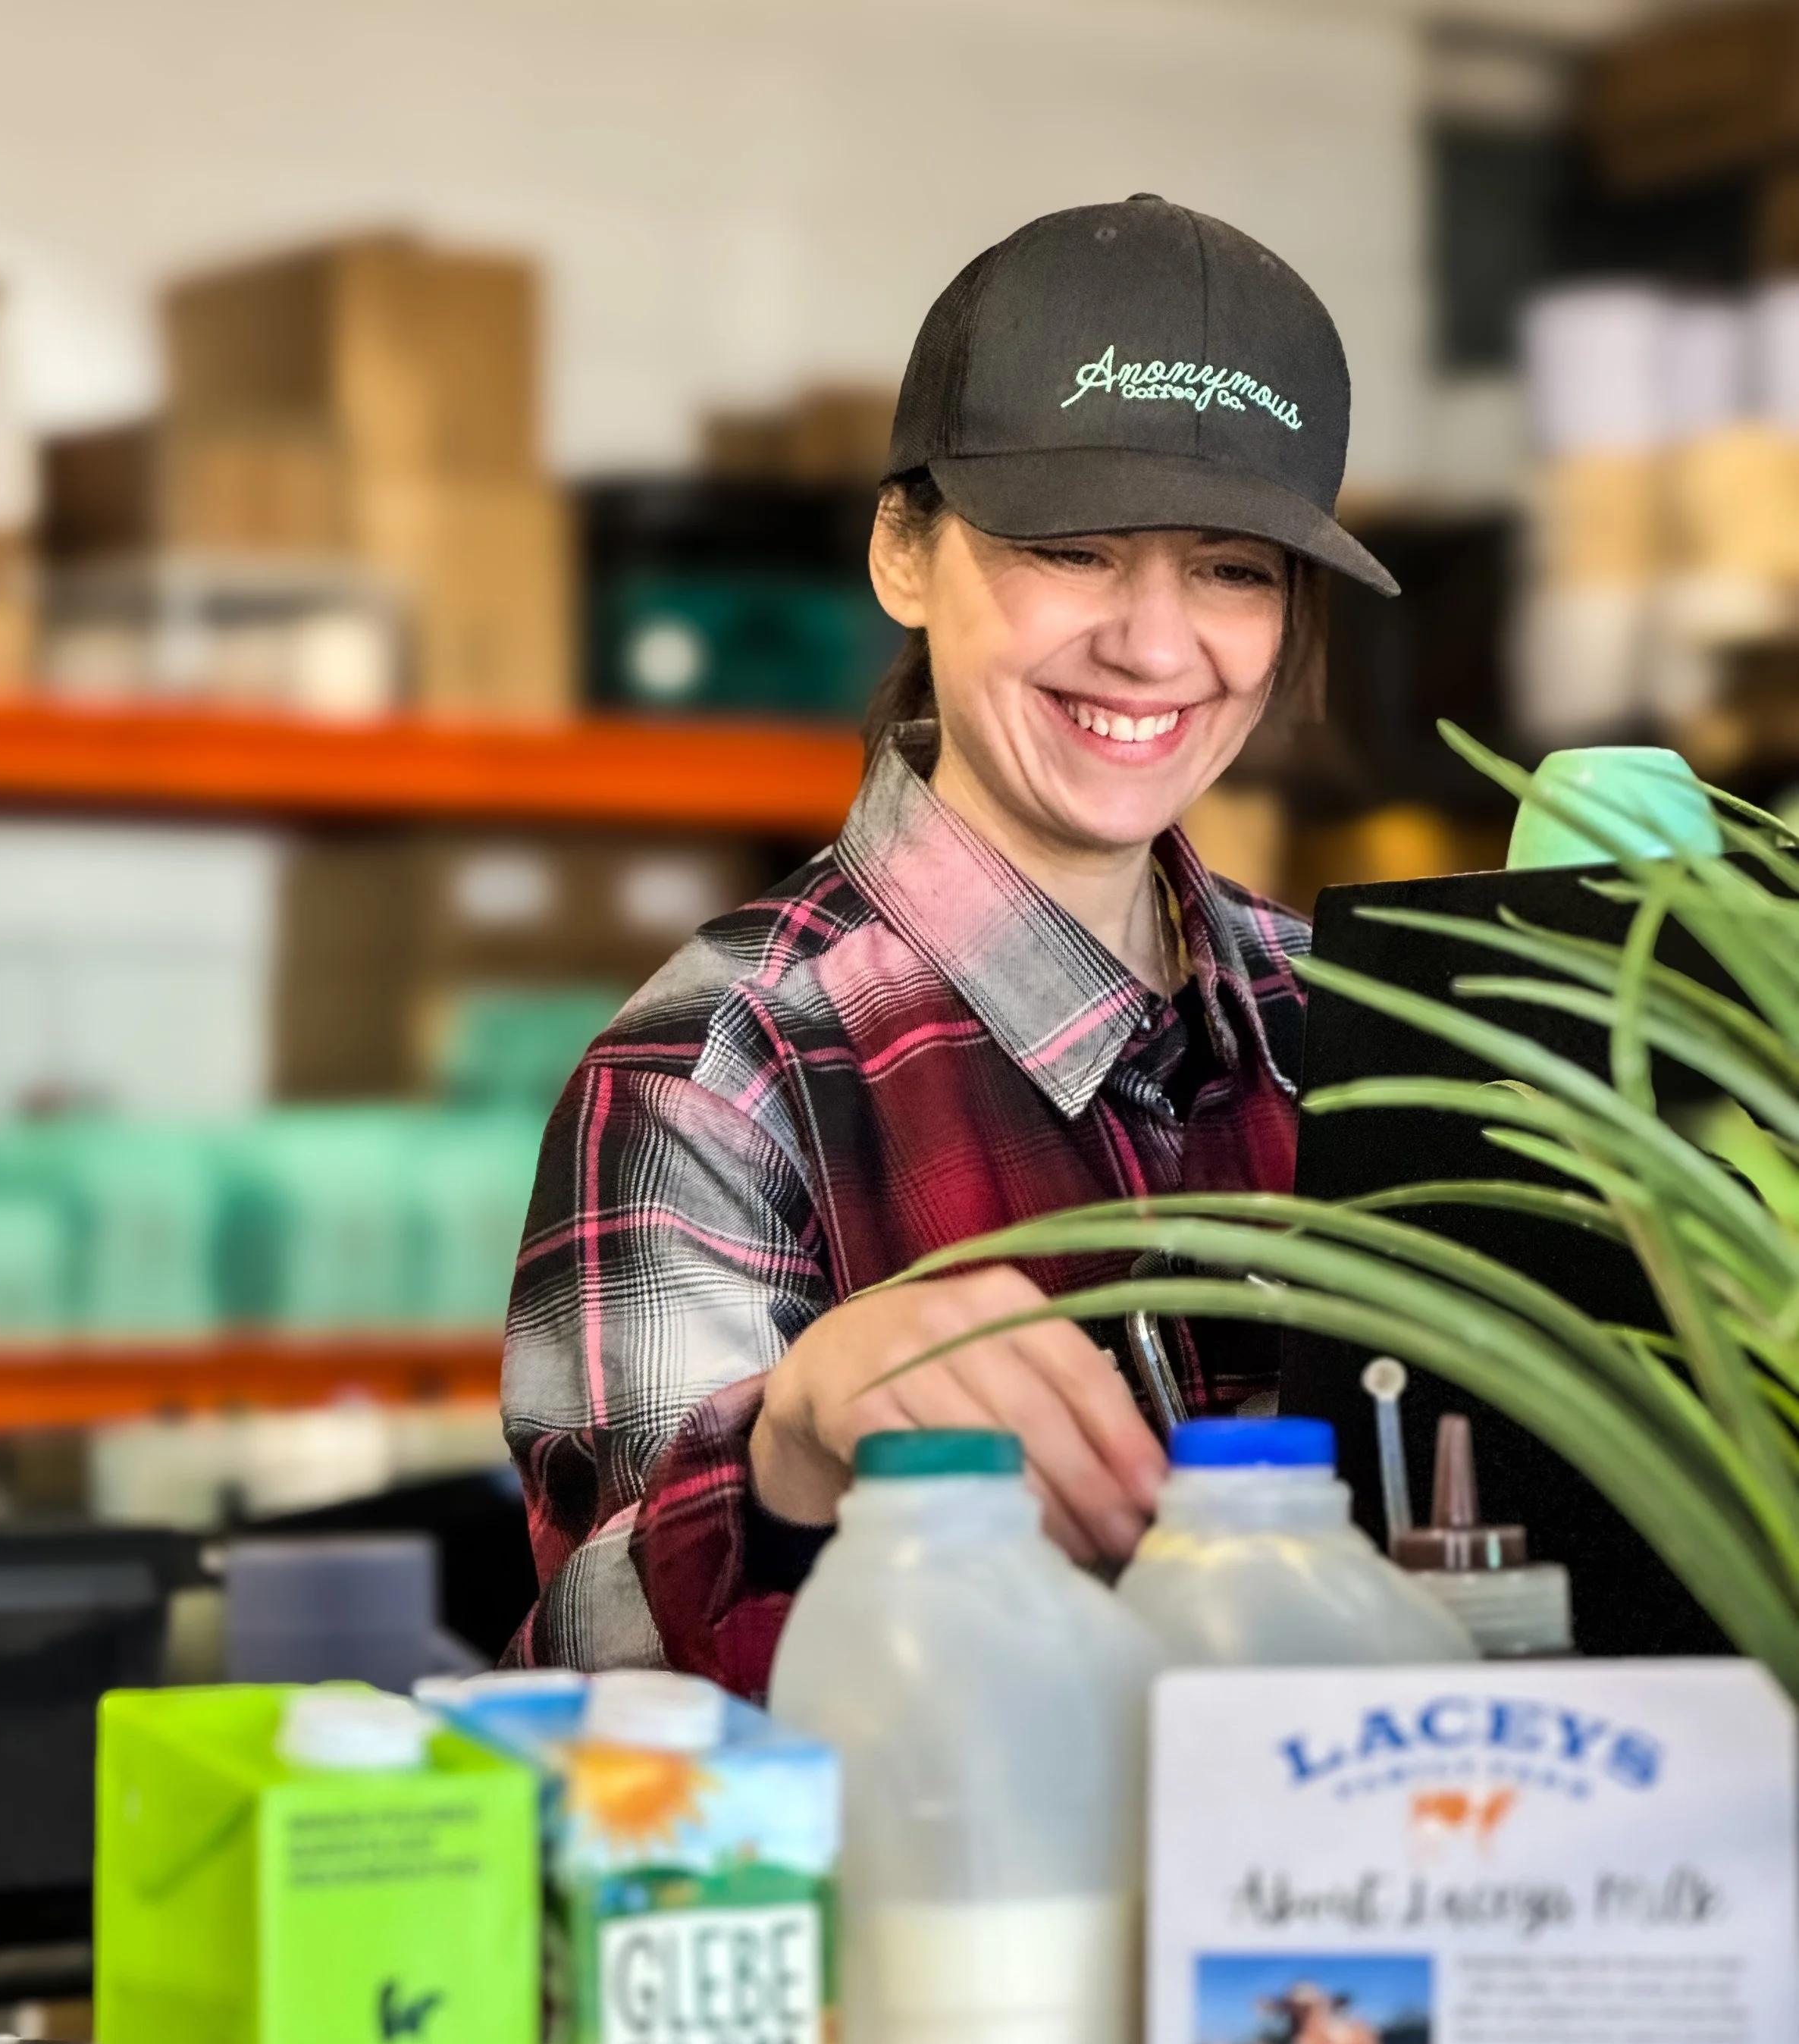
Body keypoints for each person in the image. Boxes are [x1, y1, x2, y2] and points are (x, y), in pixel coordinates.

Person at [504, 194, 1398, 1697]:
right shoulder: (713, 1074)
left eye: (1232, 567)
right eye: (1074, 549)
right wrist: (787, 1444)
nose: (1155, 643)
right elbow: (592, 1689)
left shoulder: (1369, 1030)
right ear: (902, 554)